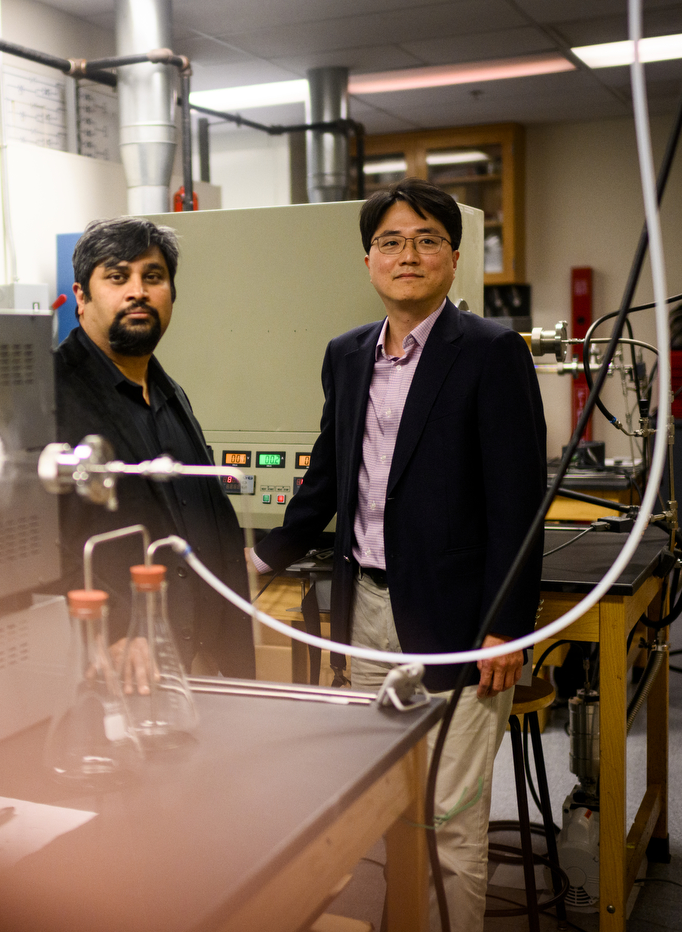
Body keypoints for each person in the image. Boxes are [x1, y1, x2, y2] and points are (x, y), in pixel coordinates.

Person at [249, 178, 546, 930]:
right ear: (368, 259)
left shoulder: (489, 352)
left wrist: (506, 626)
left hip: (458, 621)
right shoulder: (347, 357)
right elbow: (326, 476)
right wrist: (259, 559)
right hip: (366, 614)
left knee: (448, 814)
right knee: (386, 804)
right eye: (390, 241)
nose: (406, 254)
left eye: (425, 240)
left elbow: (518, 501)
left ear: (452, 259)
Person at [54, 216, 255, 679]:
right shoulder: (50, 395)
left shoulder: (170, 394)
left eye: (153, 277)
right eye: (117, 276)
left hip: (200, 665)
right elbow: (35, 546)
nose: (138, 292)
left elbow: (208, 523)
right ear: (82, 296)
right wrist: (111, 629)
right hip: (115, 668)